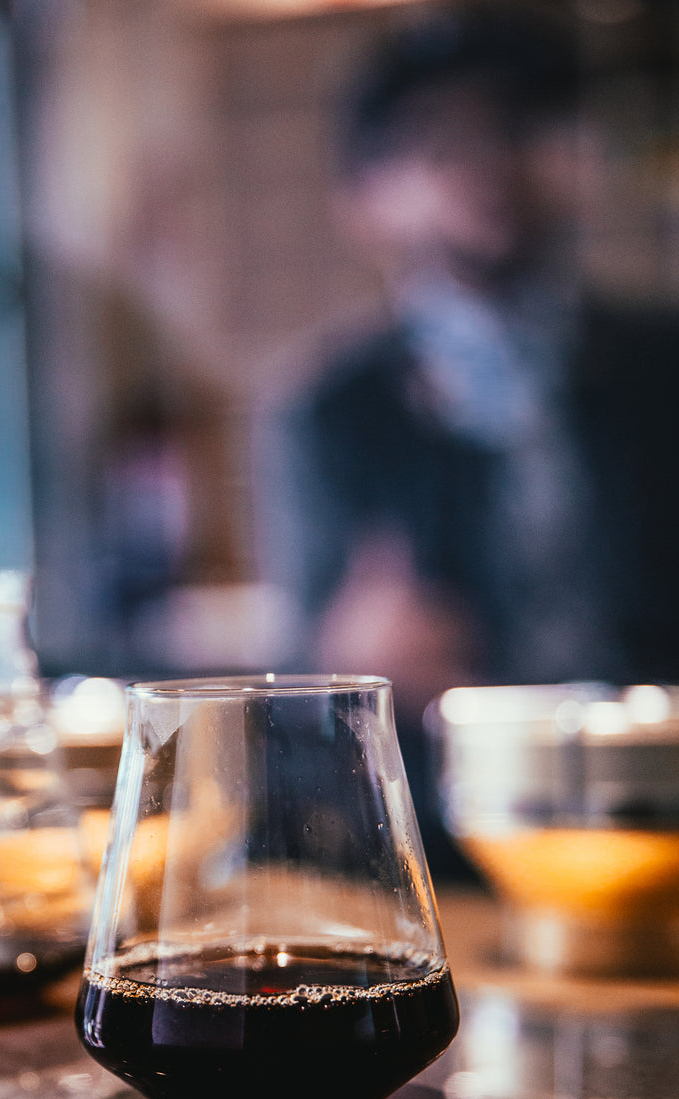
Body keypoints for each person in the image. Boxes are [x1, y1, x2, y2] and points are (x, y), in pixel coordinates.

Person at [256, 1, 679, 870]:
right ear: (365, 197)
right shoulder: (330, 411)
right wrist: (345, 658)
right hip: (446, 849)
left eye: (518, 126)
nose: (487, 164)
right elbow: (299, 685)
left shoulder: (661, 365)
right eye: (438, 142)